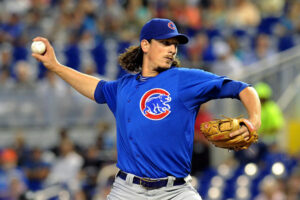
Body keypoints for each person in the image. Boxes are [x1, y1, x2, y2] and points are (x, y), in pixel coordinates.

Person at [32, 18, 261, 200]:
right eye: (165, 42)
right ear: (145, 45)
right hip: (127, 191)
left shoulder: (184, 79)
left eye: (174, 44)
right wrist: (55, 66)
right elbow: (94, 87)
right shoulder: (122, 88)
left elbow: (243, 88)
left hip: (176, 191)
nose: (172, 49)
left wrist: (254, 120)